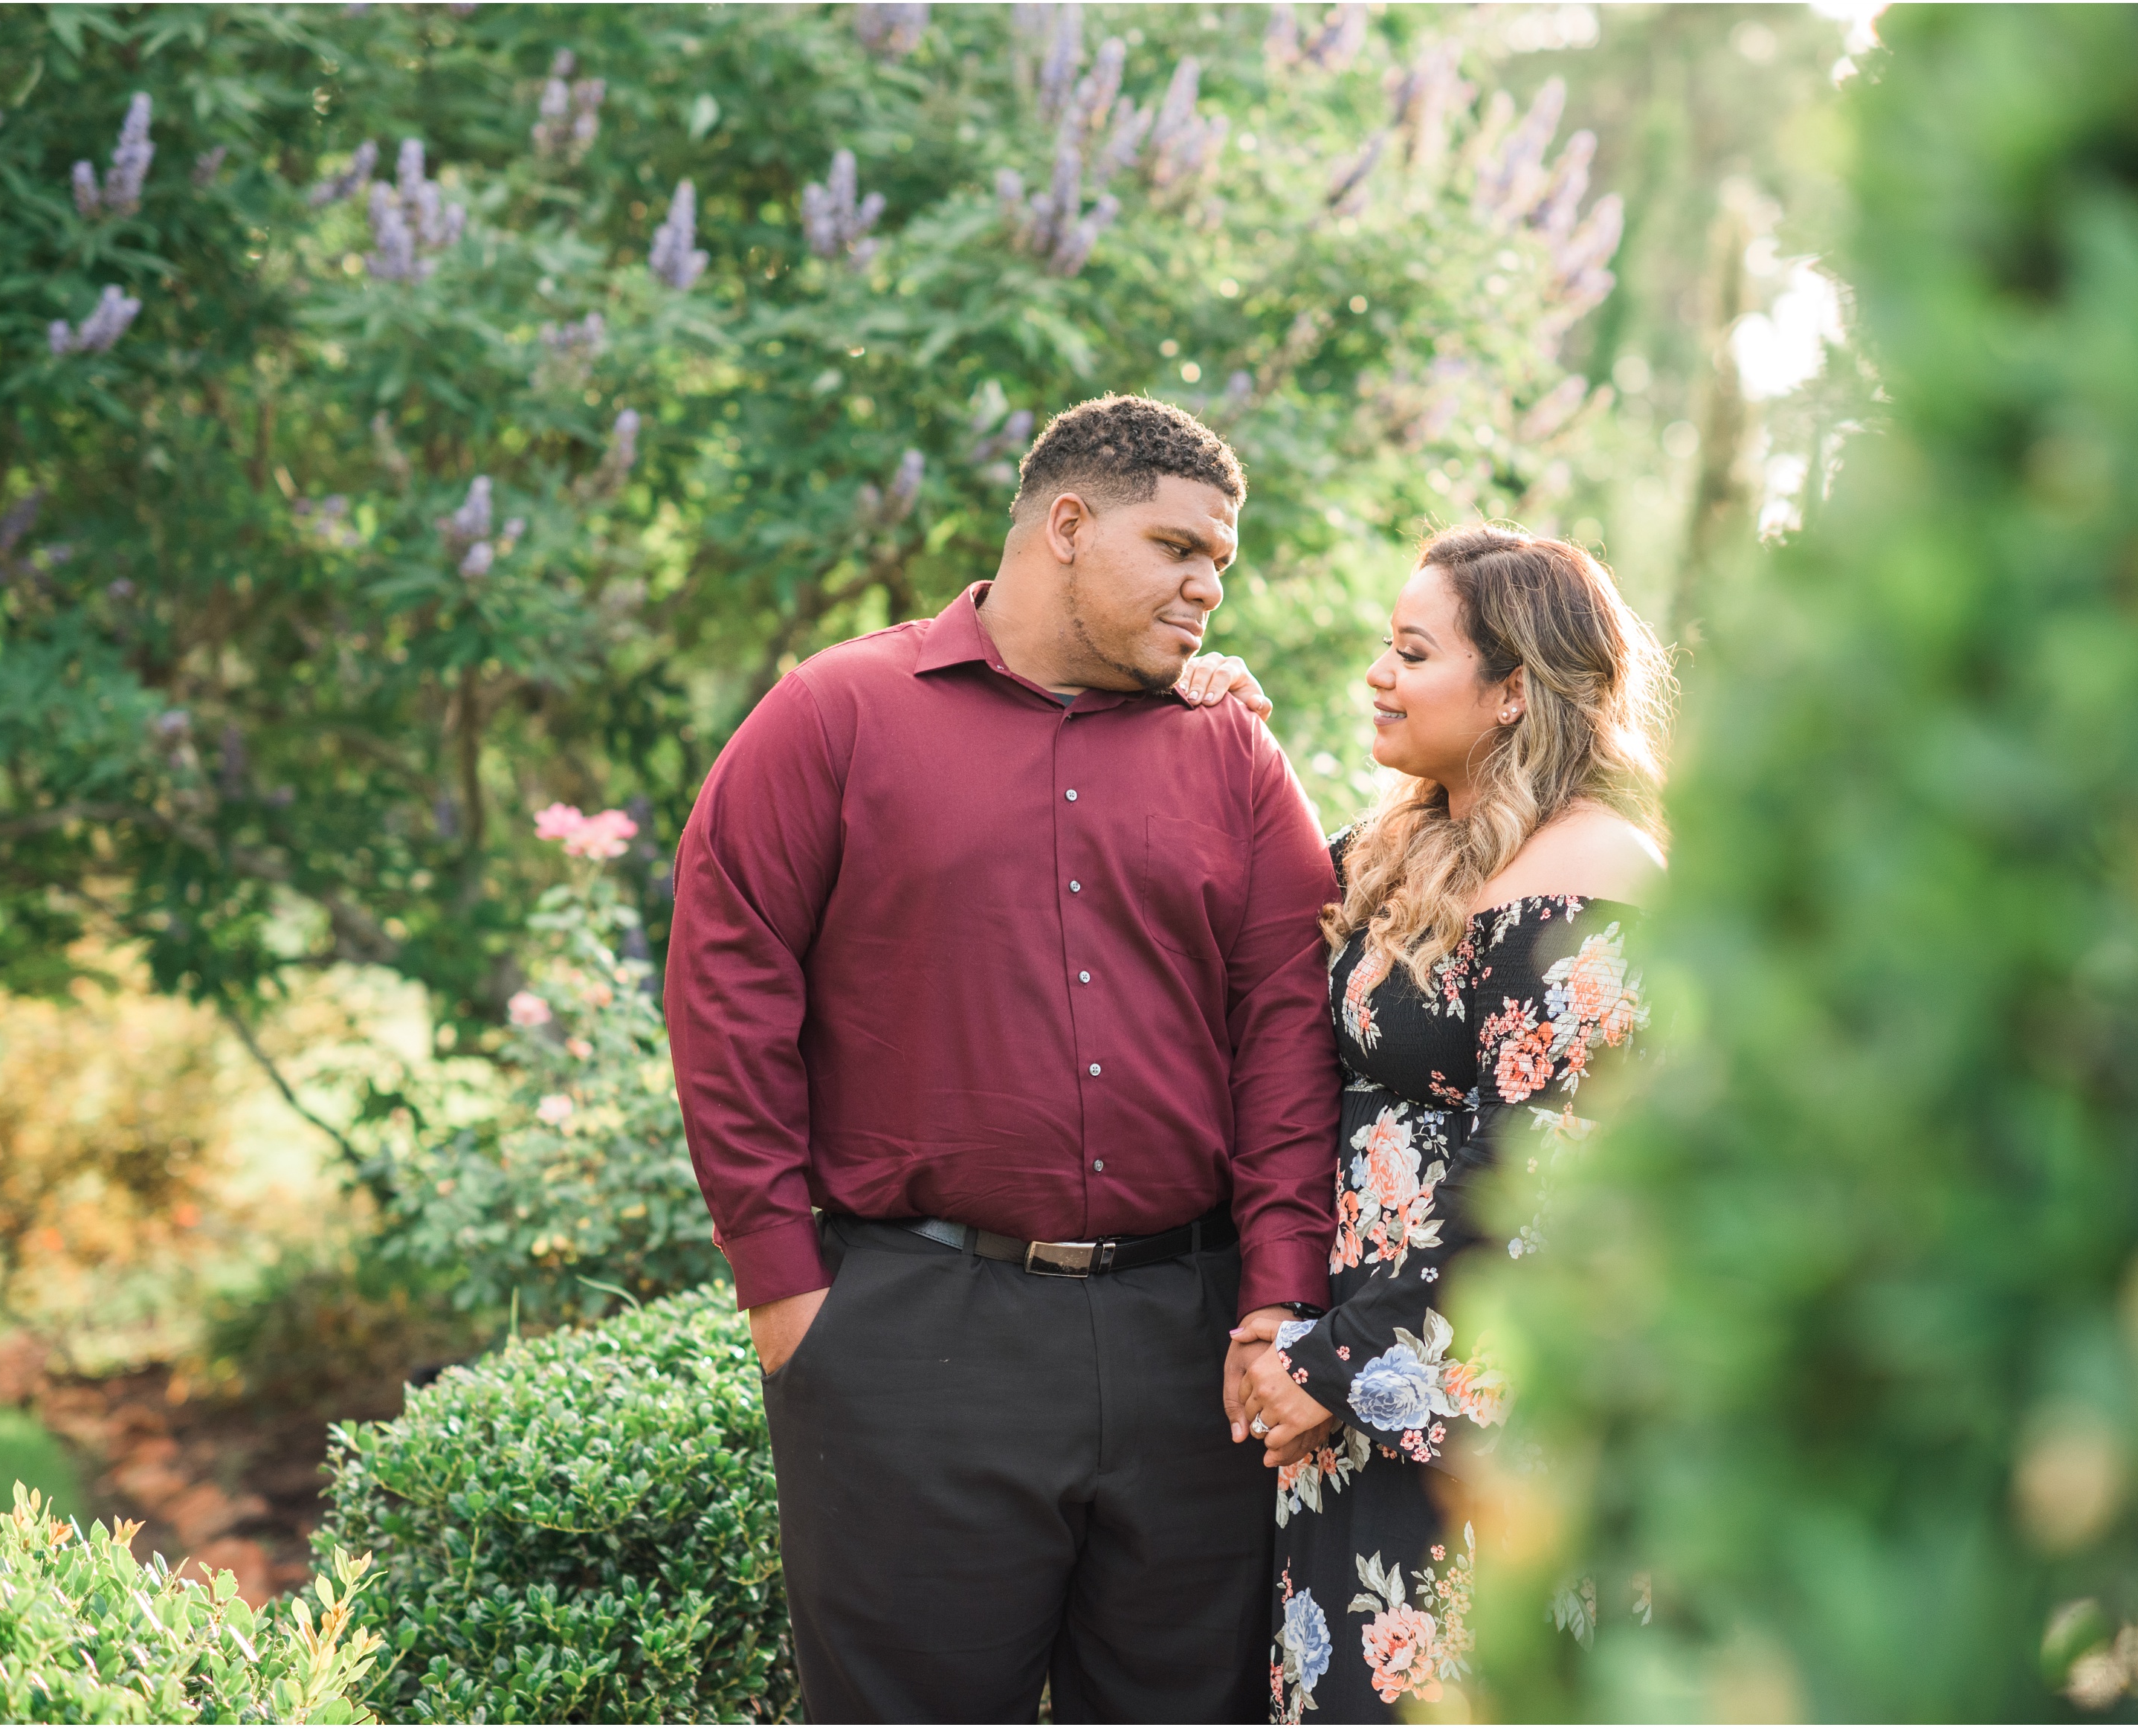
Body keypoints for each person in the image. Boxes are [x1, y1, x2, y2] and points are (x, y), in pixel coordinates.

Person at [663, 393, 1343, 1722]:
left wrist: (1275, 1300)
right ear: (1070, 525)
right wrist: (786, 1293)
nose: (1210, 587)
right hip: (914, 1334)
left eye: (1224, 563)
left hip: (1189, 1350)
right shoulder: (837, 713)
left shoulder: (1234, 752)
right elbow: (726, 984)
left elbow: (1288, 1031)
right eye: (1180, 549)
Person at [1230, 526, 1673, 1722]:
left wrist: (1328, 1363)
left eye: (1412, 650)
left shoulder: (1598, 867)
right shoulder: (1400, 846)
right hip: (1345, 1399)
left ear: (1513, 689)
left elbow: (1534, 1175)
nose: (1379, 672)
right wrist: (1212, 730)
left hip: (1479, 1408)